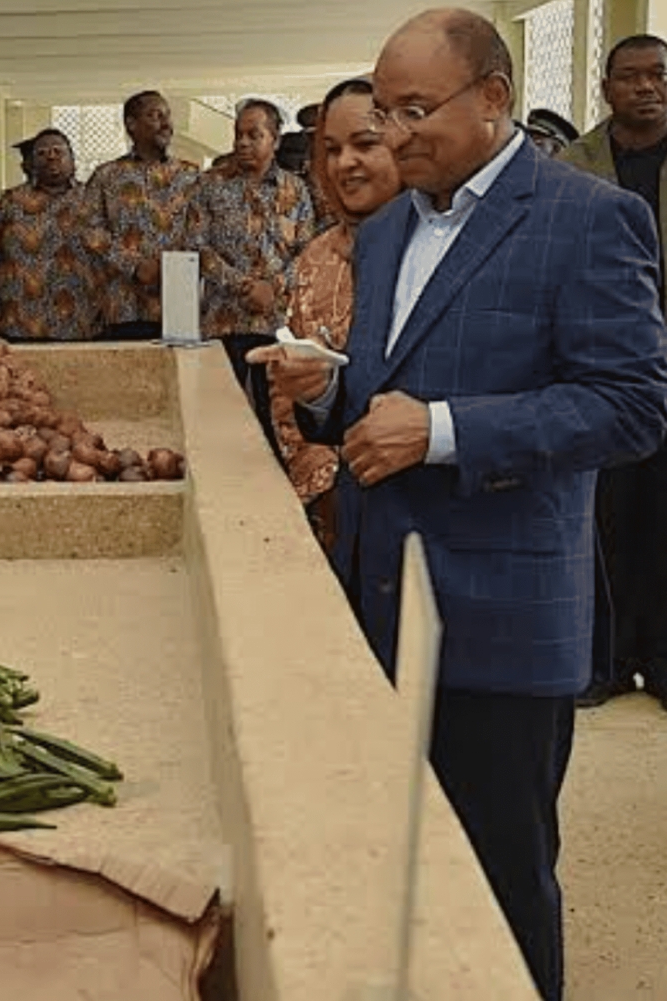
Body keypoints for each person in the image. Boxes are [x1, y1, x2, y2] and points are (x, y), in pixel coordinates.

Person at [254, 11, 667, 1000]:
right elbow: (386, 395)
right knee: (403, 857)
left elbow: (631, 405)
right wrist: (330, 390)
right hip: (381, 600)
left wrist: (445, 430)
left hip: (500, 619)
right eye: (382, 111)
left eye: (414, 111)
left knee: (498, 876)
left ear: (492, 97)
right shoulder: (393, 226)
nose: (392, 136)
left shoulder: (587, 217)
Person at [560, 33, 667, 708]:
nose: (647, 87)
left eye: (659, 74)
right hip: (606, 372)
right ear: (606, 89)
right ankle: (608, 661)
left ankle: (661, 661)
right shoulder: (574, 167)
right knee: (608, 521)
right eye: (631, 76)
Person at [270, 78, 403, 557]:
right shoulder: (315, 258)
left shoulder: (437, 252)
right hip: (336, 511)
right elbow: (288, 393)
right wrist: (323, 485)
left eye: (365, 144)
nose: (345, 163)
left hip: (422, 505)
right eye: (331, 150)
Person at [189, 98, 315, 450]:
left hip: (276, 324)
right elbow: (197, 246)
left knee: (275, 416)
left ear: (275, 140)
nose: (242, 143)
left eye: (253, 135)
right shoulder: (208, 185)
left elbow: (307, 251)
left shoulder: (296, 190)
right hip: (222, 323)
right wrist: (245, 286)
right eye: (238, 134)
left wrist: (274, 287)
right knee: (221, 417)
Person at [82, 90, 199, 340]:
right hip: (124, 304)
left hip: (178, 303)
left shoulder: (190, 176)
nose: (166, 124)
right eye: (155, 115)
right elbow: (91, 231)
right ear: (131, 124)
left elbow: (203, 229)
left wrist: (171, 266)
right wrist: (134, 265)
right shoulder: (106, 176)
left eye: (167, 116)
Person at [0, 129, 99, 341]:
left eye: (58, 151)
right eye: (42, 153)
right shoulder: (11, 202)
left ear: (73, 159)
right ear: (32, 163)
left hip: (80, 323)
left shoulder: (92, 200)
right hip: (19, 324)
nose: (51, 157)